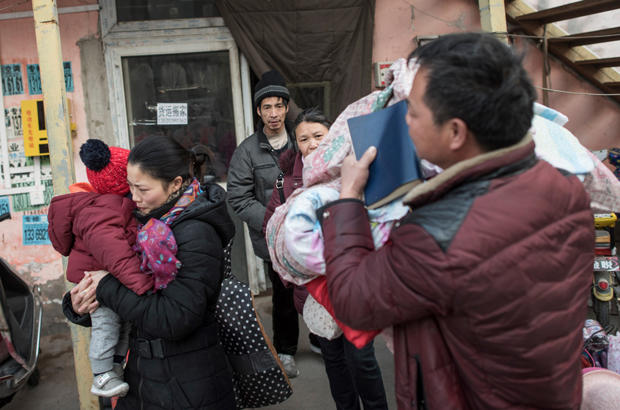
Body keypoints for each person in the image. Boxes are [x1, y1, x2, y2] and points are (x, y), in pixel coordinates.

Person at [317, 33, 594, 409]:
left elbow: (352, 301)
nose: (405, 120)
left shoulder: (436, 238)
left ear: (456, 132)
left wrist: (348, 198)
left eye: (412, 110)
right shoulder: (564, 185)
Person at [64, 135, 237, 410]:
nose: (134, 197)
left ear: (175, 184)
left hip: (188, 388)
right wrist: (82, 304)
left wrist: (106, 287)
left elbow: (173, 318)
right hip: (142, 380)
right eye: (130, 187)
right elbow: (126, 297)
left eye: (142, 189)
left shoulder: (196, 233)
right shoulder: (145, 223)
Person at [264, 108, 389, 410]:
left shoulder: (357, 170)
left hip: (355, 285)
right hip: (315, 292)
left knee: (362, 358)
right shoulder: (287, 184)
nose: (312, 143)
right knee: (333, 360)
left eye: (319, 135)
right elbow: (274, 232)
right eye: (303, 139)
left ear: (332, 137)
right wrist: (294, 277)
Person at [49, 139, 169, 398]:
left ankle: (113, 367)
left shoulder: (118, 209)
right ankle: (102, 372)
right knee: (106, 325)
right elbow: (116, 256)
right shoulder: (107, 211)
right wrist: (141, 283)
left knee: (119, 326)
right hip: (103, 286)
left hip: (114, 287)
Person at [227, 69, 302, 377]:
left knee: (317, 289)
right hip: (274, 239)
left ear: (286, 107)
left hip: (309, 231)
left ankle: (324, 338)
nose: (274, 113)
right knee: (283, 295)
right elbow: (239, 198)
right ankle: (285, 349)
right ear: (258, 111)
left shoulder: (302, 140)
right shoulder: (246, 151)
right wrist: (275, 223)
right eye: (267, 107)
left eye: (279, 105)